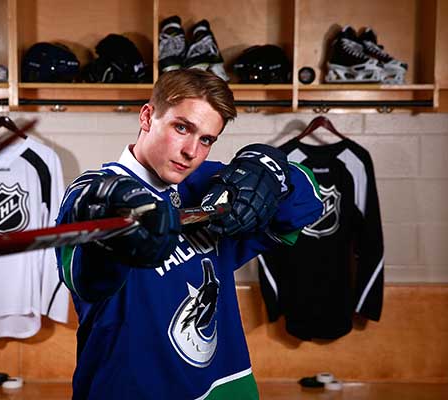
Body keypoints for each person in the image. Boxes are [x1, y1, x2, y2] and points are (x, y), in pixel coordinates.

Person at [55, 69, 323, 399]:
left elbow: (308, 203)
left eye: (206, 140)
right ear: (147, 116)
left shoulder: (209, 186)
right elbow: (85, 278)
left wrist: (268, 169)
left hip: (225, 388)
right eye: (182, 128)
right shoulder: (92, 193)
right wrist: (113, 234)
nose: (191, 151)